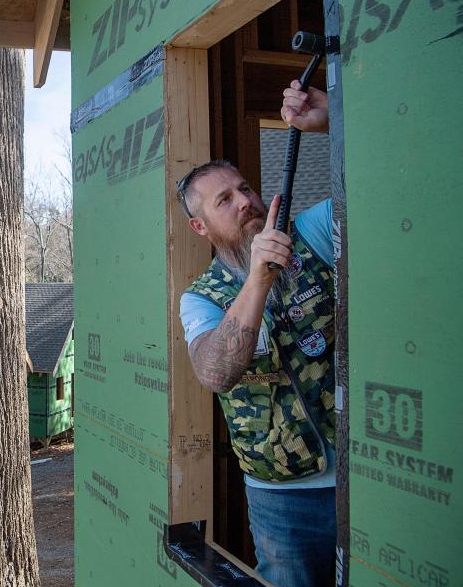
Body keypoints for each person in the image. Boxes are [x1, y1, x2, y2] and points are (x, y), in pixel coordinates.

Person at [178, 80, 333, 587]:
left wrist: (334, 122)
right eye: (224, 199)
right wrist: (259, 281)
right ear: (201, 227)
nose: (245, 201)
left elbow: (382, 180)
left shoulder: (311, 234)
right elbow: (216, 372)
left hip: (367, 475)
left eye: (244, 188)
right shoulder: (200, 298)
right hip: (281, 495)